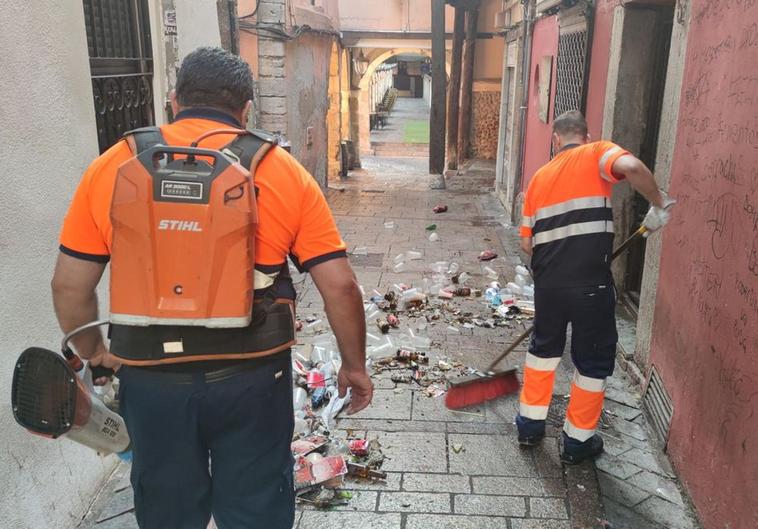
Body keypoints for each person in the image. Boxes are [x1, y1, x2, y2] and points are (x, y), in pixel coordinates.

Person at [51, 47, 373, 529]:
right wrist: (353, 366)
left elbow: (69, 285)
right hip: (252, 376)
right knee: (256, 504)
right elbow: (341, 286)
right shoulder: (282, 172)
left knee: (167, 507)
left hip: (151, 377)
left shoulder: (113, 167)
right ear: (246, 110)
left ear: (175, 100)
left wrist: (96, 352)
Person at [516, 110, 674, 464]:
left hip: (549, 285)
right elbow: (631, 168)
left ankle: (529, 427)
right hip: (590, 283)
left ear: (556, 140)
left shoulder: (539, 178)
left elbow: (527, 245)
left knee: (543, 353)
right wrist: (658, 204)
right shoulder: (597, 153)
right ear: (584, 137)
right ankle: (576, 442)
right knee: (592, 360)